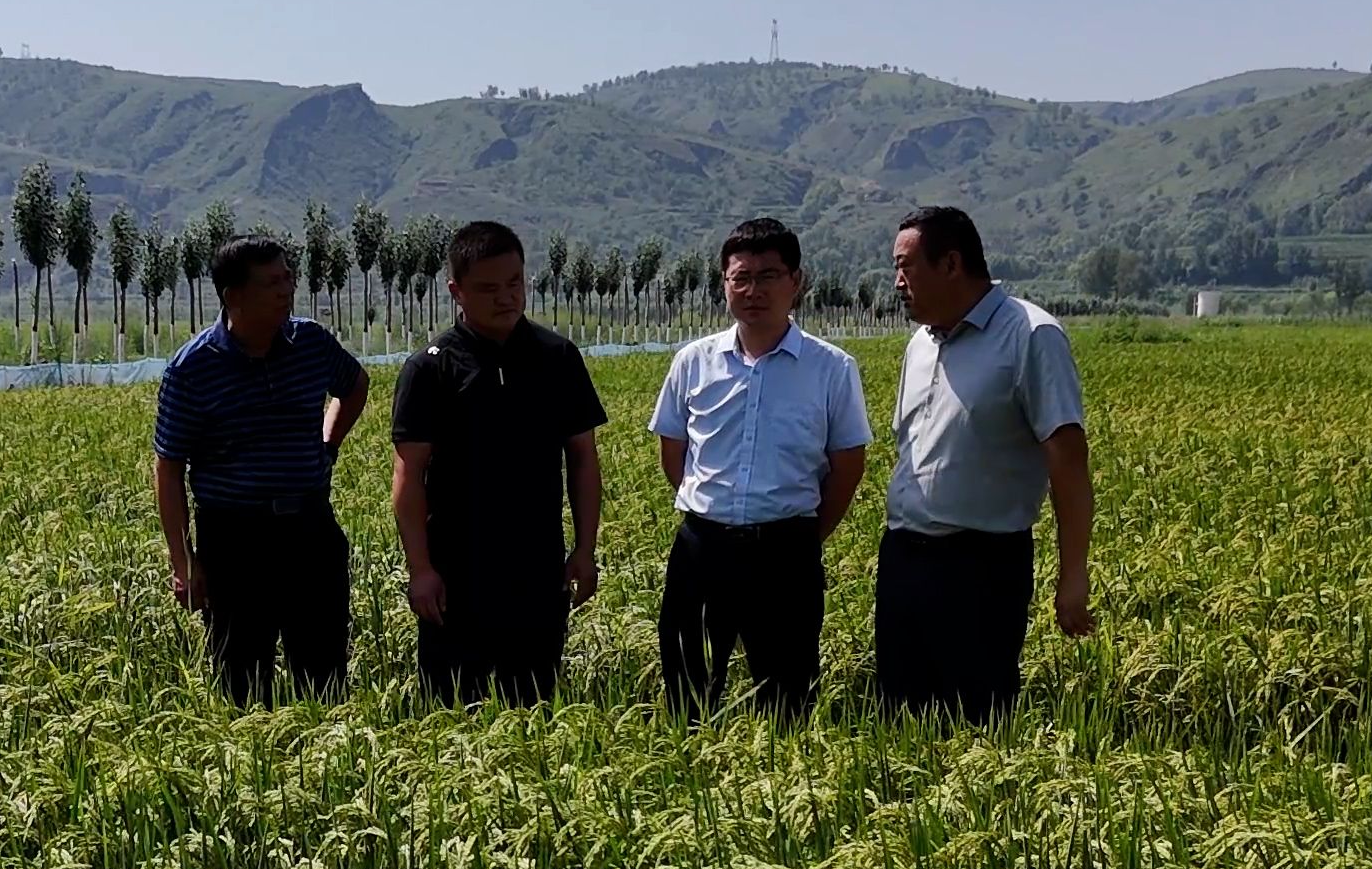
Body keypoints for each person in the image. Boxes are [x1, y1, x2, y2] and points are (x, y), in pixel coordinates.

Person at [878, 205, 1092, 721]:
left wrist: (1073, 573)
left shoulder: (1030, 335)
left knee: (977, 716)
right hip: (904, 558)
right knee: (900, 718)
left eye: (906, 266)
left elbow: (1067, 460)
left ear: (951, 264)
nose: (898, 282)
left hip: (980, 567)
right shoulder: (920, 343)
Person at [648, 216, 868, 717]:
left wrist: (806, 535)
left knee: (787, 695)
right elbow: (674, 449)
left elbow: (848, 466)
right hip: (702, 547)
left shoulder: (831, 368)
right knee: (689, 688)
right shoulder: (693, 362)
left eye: (768, 276)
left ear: (796, 282)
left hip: (786, 552)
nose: (753, 290)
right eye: (740, 278)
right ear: (724, 284)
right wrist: (712, 510)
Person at [391, 219, 605, 704]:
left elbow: (584, 460)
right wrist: (420, 568)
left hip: (536, 568)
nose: (506, 297)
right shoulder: (431, 368)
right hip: (456, 575)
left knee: (534, 706)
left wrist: (585, 549)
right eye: (488, 288)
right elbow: (408, 475)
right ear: (456, 290)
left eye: (514, 283)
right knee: (448, 714)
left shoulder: (557, 357)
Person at [155, 235, 371, 701]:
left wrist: (327, 444)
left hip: (309, 528)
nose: (285, 291)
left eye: (288, 279)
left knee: (324, 673)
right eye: (272, 282)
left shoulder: (309, 341)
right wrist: (183, 560)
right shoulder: (192, 369)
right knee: (241, 676)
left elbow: (354, 385)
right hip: (235, 539)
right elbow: (168, 468)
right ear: (234, 296)